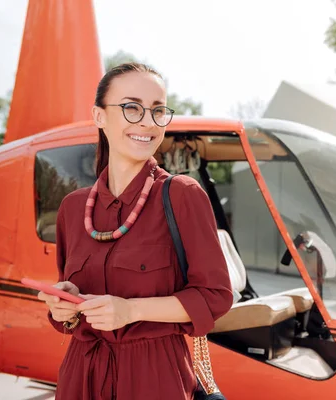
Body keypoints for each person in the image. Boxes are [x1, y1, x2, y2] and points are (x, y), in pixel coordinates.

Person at [37, 62, 234, 400]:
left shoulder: (182, 195)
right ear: (99, 117)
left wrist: (132, 311)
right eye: (131, 108)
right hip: (79, 377)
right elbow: (68, 307)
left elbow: (215, 297)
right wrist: (64, 308)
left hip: (154, 378)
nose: (147, 121)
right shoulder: (73, 208)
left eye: (158, 111)